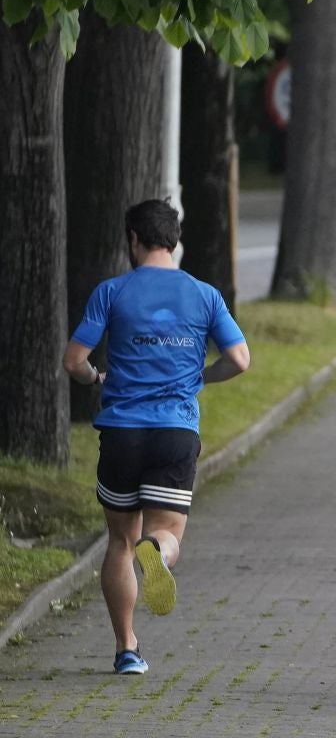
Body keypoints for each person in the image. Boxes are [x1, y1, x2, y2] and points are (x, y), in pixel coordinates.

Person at [60, 199, 251, 676]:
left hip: (122, 432)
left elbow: (73, 361)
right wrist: (201, 377)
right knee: (165, 532)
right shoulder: (205, 294)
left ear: (133, 239)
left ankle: (127, 649)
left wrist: (93, 378)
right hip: (174, 429)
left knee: (120, 541)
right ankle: (160, 554)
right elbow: (241, 359)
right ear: (175, 239)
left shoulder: (111, 291)